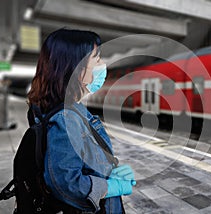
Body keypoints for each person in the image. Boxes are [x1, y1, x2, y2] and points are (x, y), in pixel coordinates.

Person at [27, 28, 136, 213]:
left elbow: (83, 162)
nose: (103, 64)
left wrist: (110, 172)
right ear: (76, 68)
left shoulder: (69, 111)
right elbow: (66, 184)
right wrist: (111, 187)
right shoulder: (66, 118)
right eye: (97, 58)